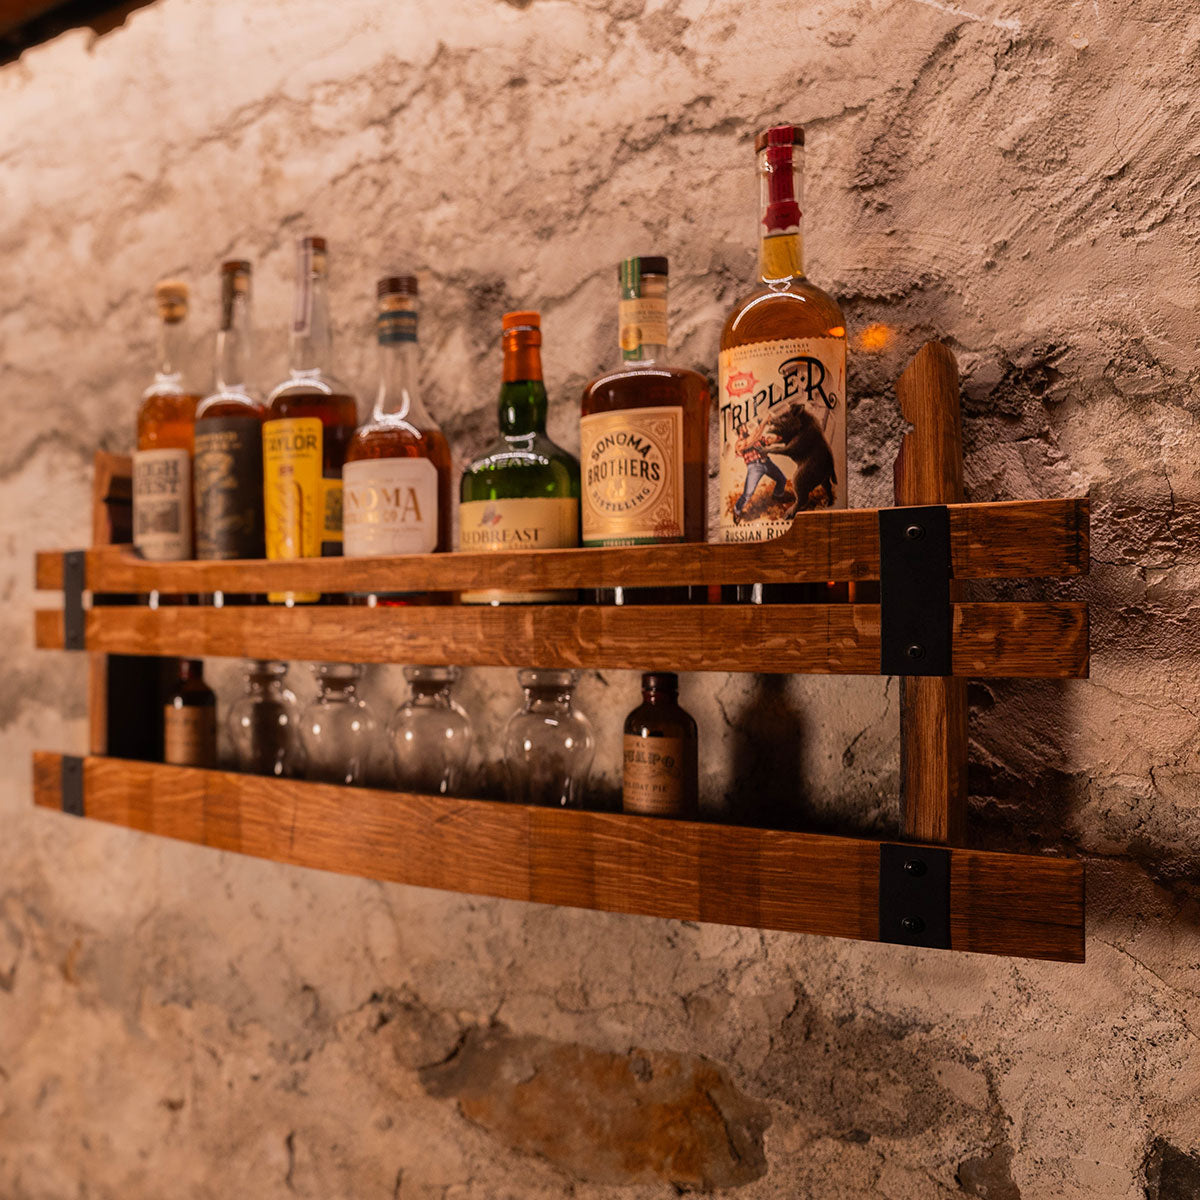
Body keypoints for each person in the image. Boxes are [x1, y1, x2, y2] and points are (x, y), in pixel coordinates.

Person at [733, 418, 788, 522]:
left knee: (782, 479)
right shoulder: (739, 443)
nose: (746, 427)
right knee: (748, 494)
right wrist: (763, 423)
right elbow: (751, 440)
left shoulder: (755, 438)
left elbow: (766, 441)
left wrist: (777, 437)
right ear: (740, 430)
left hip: (766, 462)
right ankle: (737, 510)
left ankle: (777, 497)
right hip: (754, 467)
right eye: (744, 426)